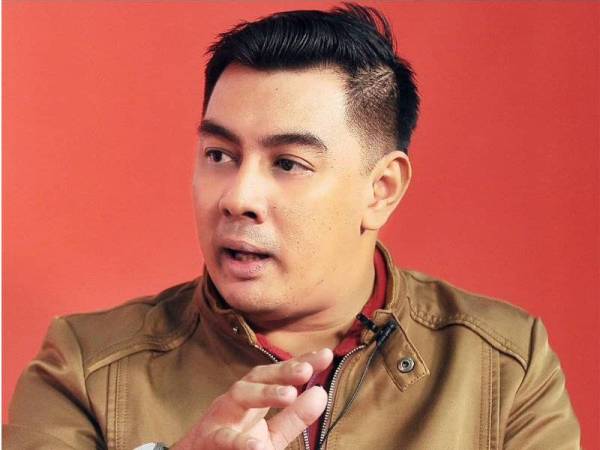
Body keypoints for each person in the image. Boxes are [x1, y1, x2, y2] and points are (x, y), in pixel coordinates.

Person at [5, 3, 581, 450]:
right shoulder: (84, 368)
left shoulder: (503, 366)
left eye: (287, 163)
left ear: (381, 189)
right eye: (219, 155)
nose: (238, 198)